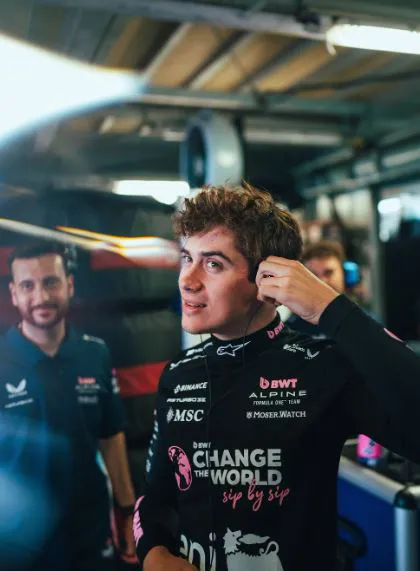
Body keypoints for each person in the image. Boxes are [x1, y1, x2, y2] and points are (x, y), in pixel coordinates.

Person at [133, 184, 420, 571]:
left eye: (213, 264)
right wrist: (155, 554)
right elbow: (156, 496)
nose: (188, 279)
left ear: (267, 278)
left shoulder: (322, 366)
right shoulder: (178, 373)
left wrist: (330, 308)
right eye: (187, 258)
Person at [0, 241, 136, 571]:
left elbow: (110, 436)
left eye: (51, 282)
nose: (41, 296)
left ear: (69, 285)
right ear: (14, 293)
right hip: (19, 541)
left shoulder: (95, 353)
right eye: (28, 286)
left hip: (90, 530)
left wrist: (127, 511)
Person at [287, 240, 346, 337]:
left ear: (343, 273)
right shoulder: (290, 331)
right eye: (313, 276)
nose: (322, 282)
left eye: (328, 273)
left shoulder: (363, 321)